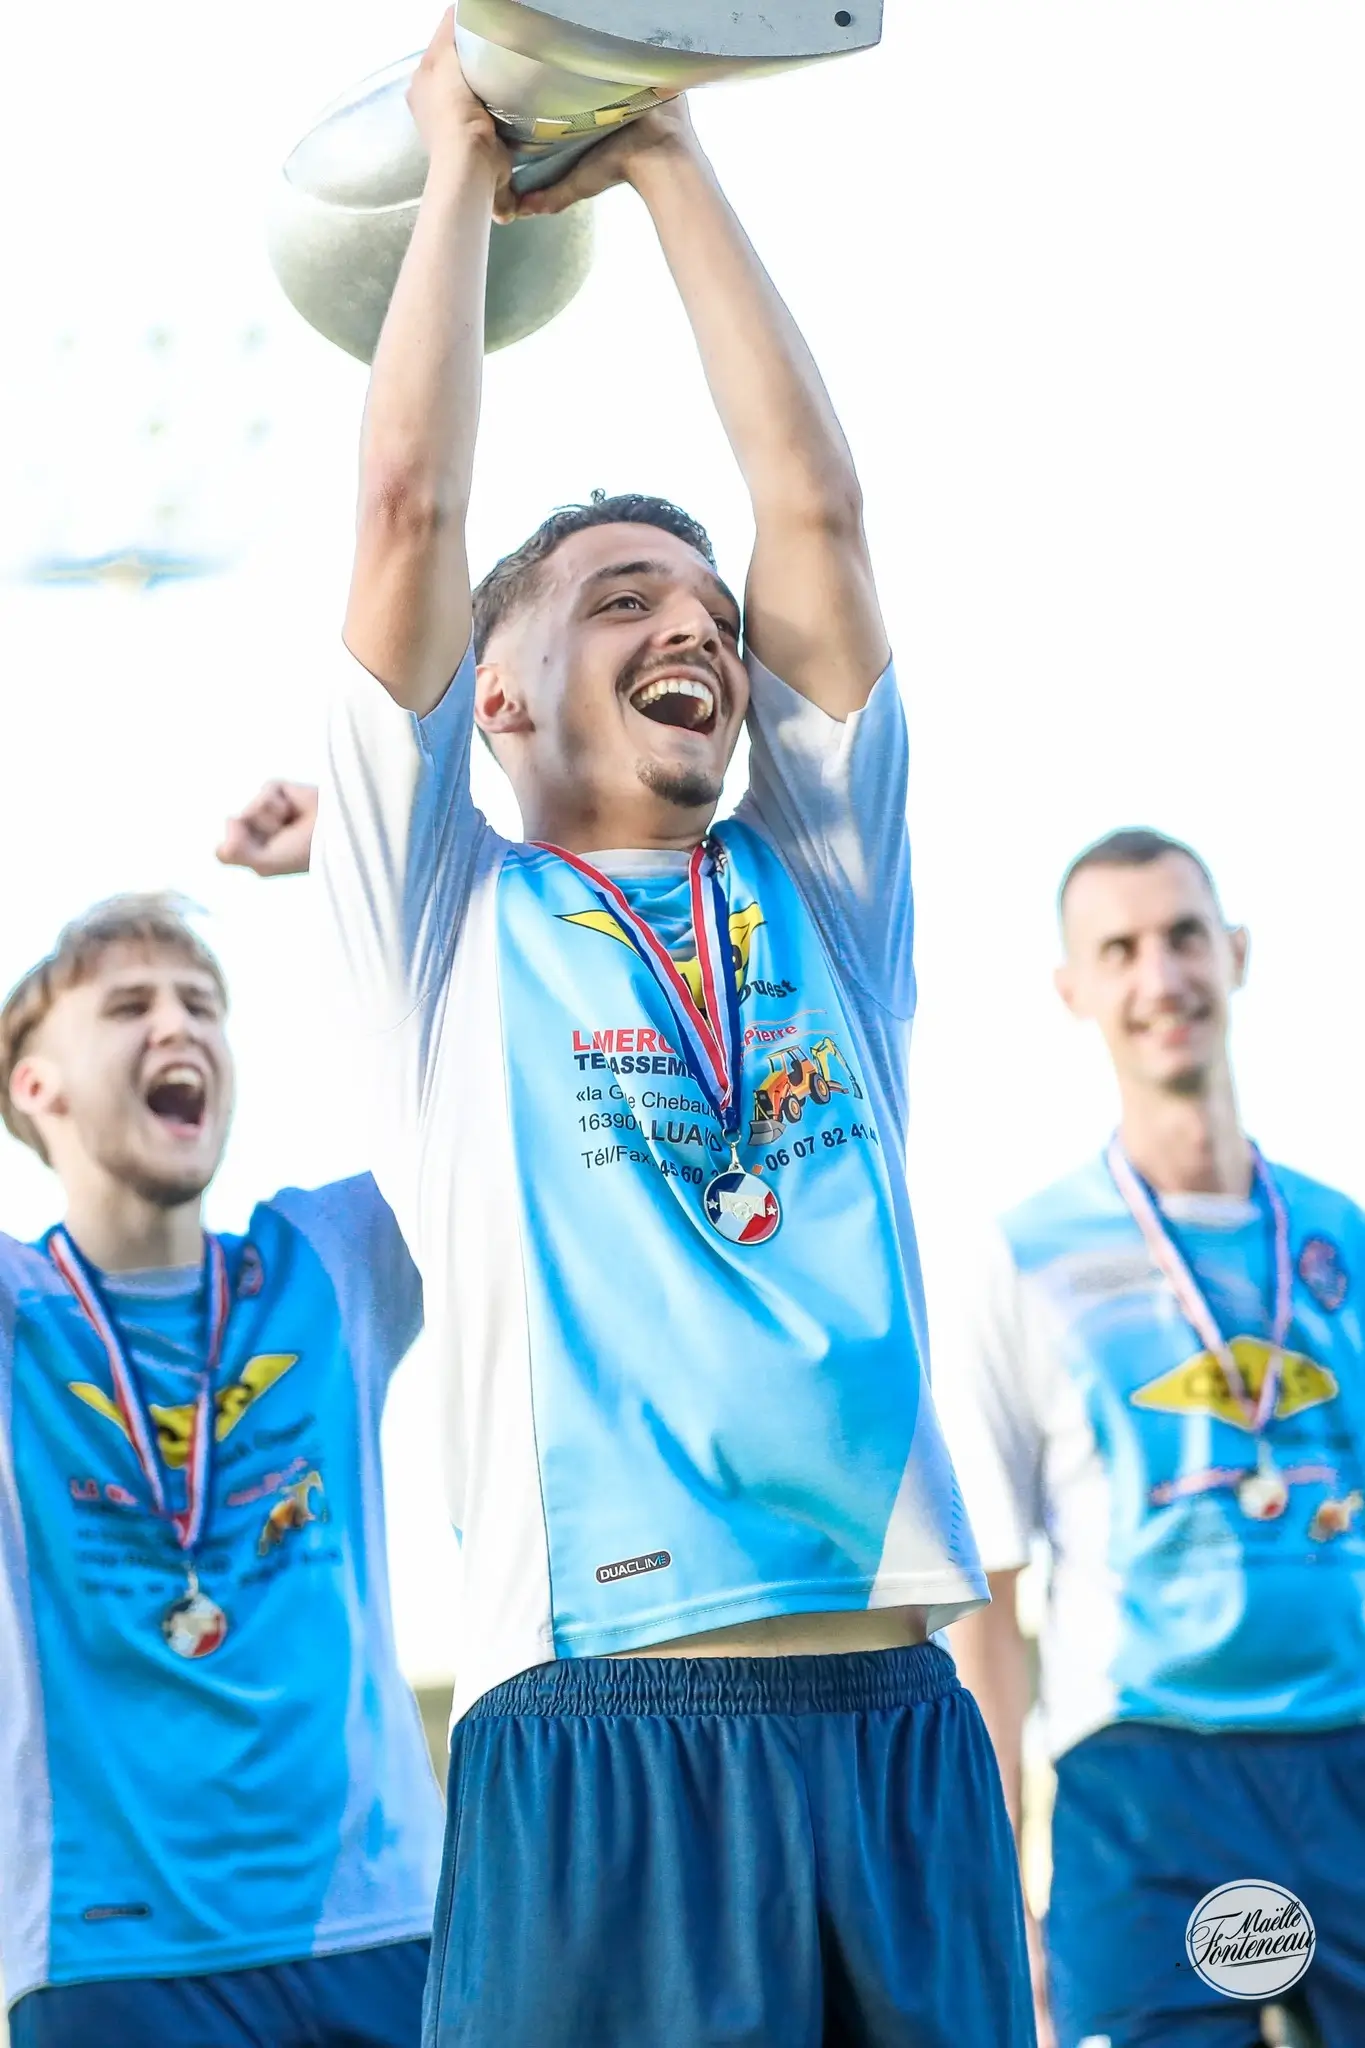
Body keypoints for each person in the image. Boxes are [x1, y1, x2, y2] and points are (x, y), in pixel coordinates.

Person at [277, 11, 1035, 2045]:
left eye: (703, 609)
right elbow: (409, 512)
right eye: (619, 600)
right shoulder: (445, 928)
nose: (691, 620)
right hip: (601, 1722)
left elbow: (818, 516)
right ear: (498, 698)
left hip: (895, 1726)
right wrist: (459, 156)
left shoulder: (825, 890)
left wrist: (670, 154)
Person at [940, 828, 1365, 2048]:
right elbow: (989, 1595)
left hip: (1345, 1745)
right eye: (1118, 949)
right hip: (1141, 1779)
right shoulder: (1027, 1257)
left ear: (1236, 952)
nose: (1160, 976)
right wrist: (998, 1877)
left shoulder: (1342, 1235)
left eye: (1183, 936)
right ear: (1072, 989)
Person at [0, 886, 443, 2048]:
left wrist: (369, 846)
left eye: (203, 1003)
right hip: (111, 1956)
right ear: (34, 1086)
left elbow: (478, 1084)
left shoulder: (330, 1262)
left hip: (385, 1926)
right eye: (127, 1006)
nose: (178, 1024)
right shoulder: (15, 1311)